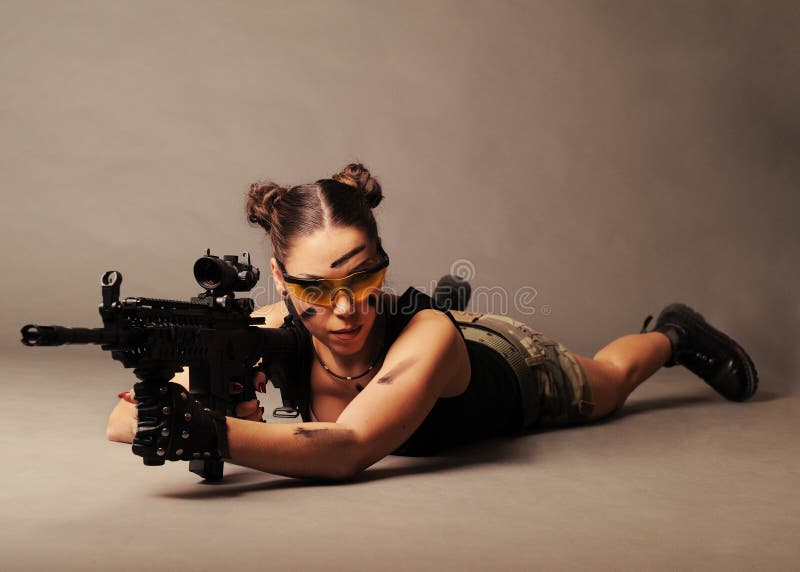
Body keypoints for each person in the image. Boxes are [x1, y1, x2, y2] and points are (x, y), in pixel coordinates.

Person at [106, 162, 759, 481]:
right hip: (422, 338)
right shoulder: (260, 328)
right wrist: (208, 401)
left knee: (611, 382)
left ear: (385, 265)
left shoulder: (430, 338)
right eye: (313, 287)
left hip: (505, 364)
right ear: (278, 281)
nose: (343, 310)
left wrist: (209, 431)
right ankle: (447, 296)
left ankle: (673, 333)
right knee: (419, 320)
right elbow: (123, 418)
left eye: (363, 277)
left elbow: (348, 450)